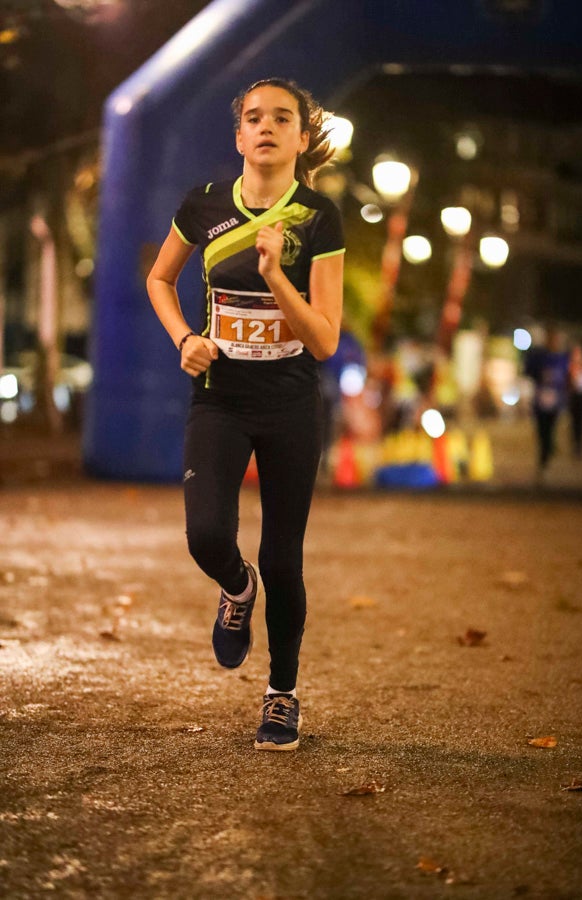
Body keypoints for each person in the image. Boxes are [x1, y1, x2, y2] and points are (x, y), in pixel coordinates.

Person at [146, 78, 345, 751]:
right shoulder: (203, 206)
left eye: (281, 118)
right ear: (238, 137)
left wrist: (276, 277)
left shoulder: (318, 217)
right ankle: (236, 588)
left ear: (301, 138)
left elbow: (323, 339)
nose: (266, 127)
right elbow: (159, 279)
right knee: (206, 534)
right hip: (221, 397)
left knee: (284, 559)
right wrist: (185, 338)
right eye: (254, 118)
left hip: (290, 403)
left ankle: (282, 695)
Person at [524, 325, 570, 478]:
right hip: (541, 402)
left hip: (555, 402)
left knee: (551, 430)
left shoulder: (562, 358)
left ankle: (548, 452)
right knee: (542, 432)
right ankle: (543, 458)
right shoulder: (539, 357)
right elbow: (528, 371)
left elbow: (567, 377)